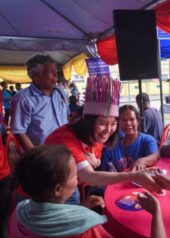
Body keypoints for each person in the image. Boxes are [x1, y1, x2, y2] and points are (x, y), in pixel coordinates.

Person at [45, 77, 161, 205]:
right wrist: (134, 176)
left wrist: (96, 162)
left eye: (113, 123)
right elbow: (91, 177)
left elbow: (94, 164)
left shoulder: (97, 136)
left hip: (71, 185)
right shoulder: (66, 139)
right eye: (102, 123)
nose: (108, 130)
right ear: (87, 120)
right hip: (46, 193)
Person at [7, 145, 115, 238]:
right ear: (58, 190)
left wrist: (80, 208)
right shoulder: (88, 226)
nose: (78, 178)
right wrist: (81, 212)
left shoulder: (18, 214)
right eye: (74, 175)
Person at [10, 53, 69, 151]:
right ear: (35, 75)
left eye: (56, 71)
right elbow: (19, 132)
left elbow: (67, 118)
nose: (55, 75)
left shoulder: (60, 92)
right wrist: (36, 156)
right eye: (51, 71)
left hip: (65, 151)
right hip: (43, 155)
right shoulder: (23, 99)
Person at [101, 105, 158, 172]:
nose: (128, 123)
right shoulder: (112, 146)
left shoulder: (147, 140)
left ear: (138, 121)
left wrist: (142, 161)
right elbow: (104, 171)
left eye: (132, 119)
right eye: (123, 120)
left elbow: (154, 156)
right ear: (118, 123)